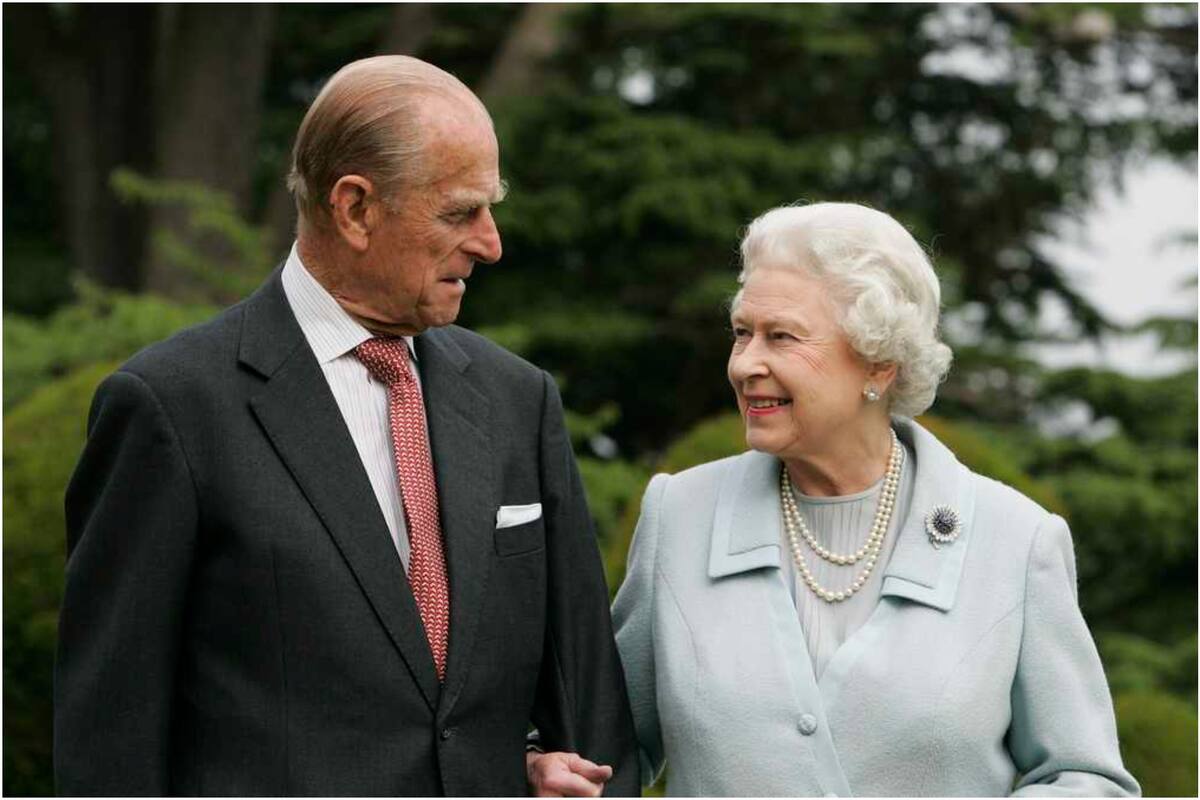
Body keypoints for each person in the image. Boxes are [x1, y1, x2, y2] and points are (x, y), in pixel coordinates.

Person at [54, 55, 637, 797]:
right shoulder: (170, 407)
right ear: (355, 208)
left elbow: (589, 714)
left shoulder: (518, 400)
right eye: (460, 211)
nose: (491, 243)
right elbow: (110, 743)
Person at [599, 203, 1138, 795]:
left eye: (781, 337)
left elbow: (1085, 778)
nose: (746, 363)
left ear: (878, 364)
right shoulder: (679, 516)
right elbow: (604, 752)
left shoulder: (1017, 541)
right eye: (742, 333)